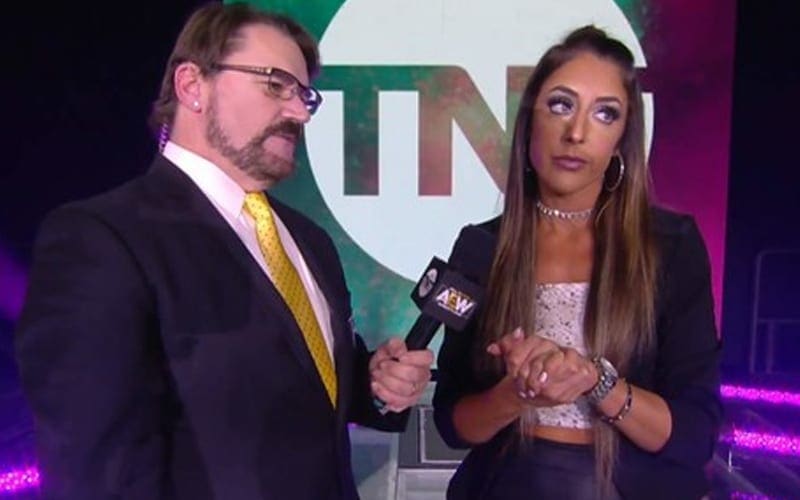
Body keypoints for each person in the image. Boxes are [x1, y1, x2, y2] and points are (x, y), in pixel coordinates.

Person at [15, 3, 433, 499]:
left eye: (305, 96)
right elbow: (95, 467)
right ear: (192, 85)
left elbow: (302, 392)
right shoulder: (102, 239)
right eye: (275, 85)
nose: (299, 112)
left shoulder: (309, 241)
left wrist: (374, 384)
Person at [433, 26, 722, 500]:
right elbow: (453, 424)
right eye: (561, 105)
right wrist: (516, 393)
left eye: (605, 113)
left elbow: (694, 434)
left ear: (621, 140)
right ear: (530, 122)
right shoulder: (482, 246)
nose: (577, 133)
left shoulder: (671, 245)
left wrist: (595, 381)